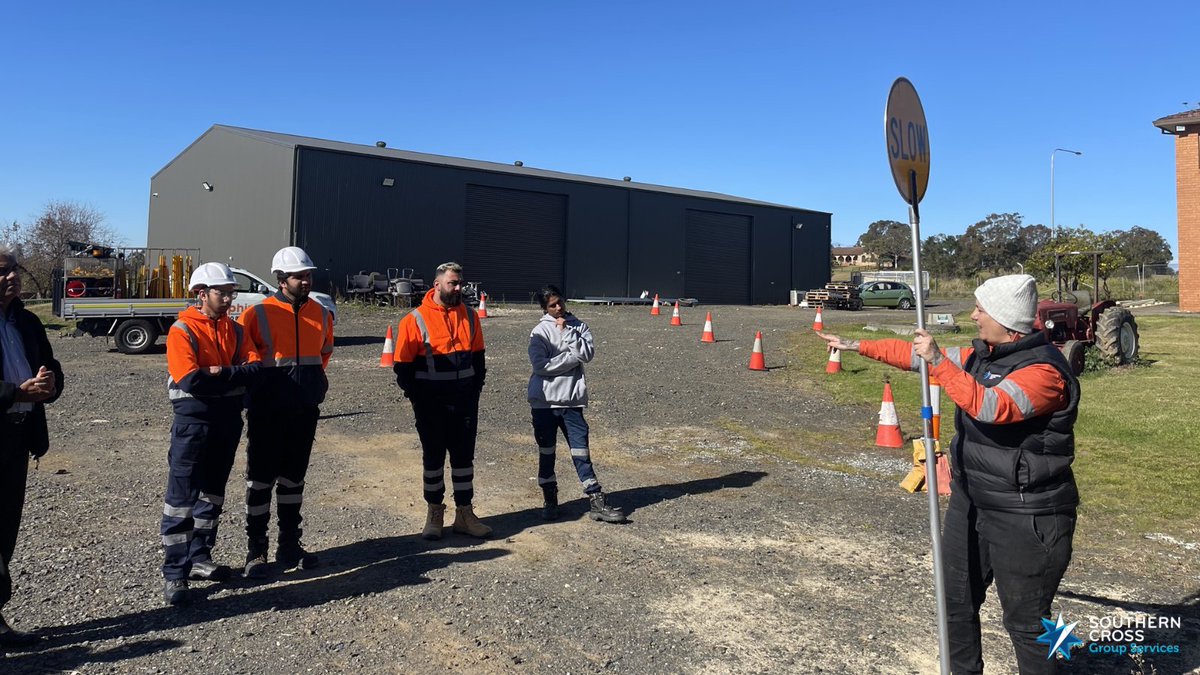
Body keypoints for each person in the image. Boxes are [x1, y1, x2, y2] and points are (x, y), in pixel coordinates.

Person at [818, 274, 1079, 674]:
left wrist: (940, 361)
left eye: (980, 309)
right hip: (972, 500)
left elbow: (991, 407)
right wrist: (855, 345)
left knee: (1027, 623)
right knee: (954, 601)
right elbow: (912, 357)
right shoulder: (982, 356)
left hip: (1028, 514)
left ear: (1006, 319)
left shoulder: (1045, 372)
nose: (973, 315)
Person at [160, 262, 261, 605]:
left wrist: (220, 370)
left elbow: (256, 369)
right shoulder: (182, 330)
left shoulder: (235, 330)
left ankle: (200, 557)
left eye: (231, 293)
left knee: (213, 493)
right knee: (181, 498)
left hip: (227, 422)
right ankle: (175, 574)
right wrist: (233, 374)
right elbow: (191, 379)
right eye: (223, 293)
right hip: (194, 424)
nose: (229, 299)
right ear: (201, 294)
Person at [238, 246, 334, 578]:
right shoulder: (256, 314)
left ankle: (290, 545)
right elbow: (244, 359)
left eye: (308, 275)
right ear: (281, 279)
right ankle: (256, 551)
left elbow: (324, 352)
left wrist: (310, 384)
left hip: (303, 408)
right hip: (267, 409)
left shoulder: (320, 312)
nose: (306, 281)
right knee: (260, 479)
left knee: (294, 479)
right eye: (299, 276)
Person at [393, 262, 490, 540]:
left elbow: (479, 361)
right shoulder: (414, 320)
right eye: (453, 283)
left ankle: (464, 514)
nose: (459, 288)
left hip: (464, 404)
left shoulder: (470, 317)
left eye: (460, 283)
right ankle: (434, 513)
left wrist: (474, 391)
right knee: (433, 459)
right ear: (437, 285)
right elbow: (403, 368)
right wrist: (418, 400)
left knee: (463, 460)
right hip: (431, 406)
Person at [0, 243, 63, 648]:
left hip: (18, 436)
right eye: (2, 272)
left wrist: (50, 384)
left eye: (14, 270)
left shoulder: (25, 320)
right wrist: (14, 393)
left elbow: (52, 365)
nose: (12, 277)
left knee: (5, 529)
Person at [527, 285, 624, 523]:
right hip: (544, 404)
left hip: (572, 402)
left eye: (560, 302)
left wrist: (568, 334)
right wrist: (572, 358)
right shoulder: (539, 332)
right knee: (546, 452)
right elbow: (540, 366)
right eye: (552, 305)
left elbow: (588, 354)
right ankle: (550, 500)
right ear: (544, 308)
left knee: (581, 451)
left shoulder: (580, 326)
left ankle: (596, 499)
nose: (558, 308)